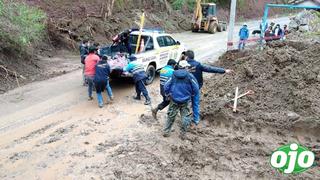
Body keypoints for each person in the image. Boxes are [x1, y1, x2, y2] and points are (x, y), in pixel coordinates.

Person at [185, 50, 233, 126]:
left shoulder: (183, 65)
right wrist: (224, 70)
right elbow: (210, 69)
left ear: (186, 57)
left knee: (186, 103)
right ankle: (196, 119)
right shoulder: (198, 65)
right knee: (195, 103)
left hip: (186, 88)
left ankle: (185, 119)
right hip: (196, 87)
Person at [163, 69, 200, 139]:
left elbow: (166, 86)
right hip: (185, 101)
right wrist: (192, 94)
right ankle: (183, 134)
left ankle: (166, 132)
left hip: (174, 99)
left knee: (171, 116)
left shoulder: (173, 75)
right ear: (186, 67)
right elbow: (196, 88)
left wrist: (168, 93)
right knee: (185, 117)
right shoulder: (190, 76)